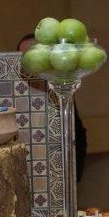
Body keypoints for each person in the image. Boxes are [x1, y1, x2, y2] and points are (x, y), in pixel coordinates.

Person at [18, 33, 87, 180]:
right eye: (25, 57)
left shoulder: (60, 87)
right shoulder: (13, 93)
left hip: (59, 174)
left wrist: (73, 178)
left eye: (34, 55)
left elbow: (76, 134)